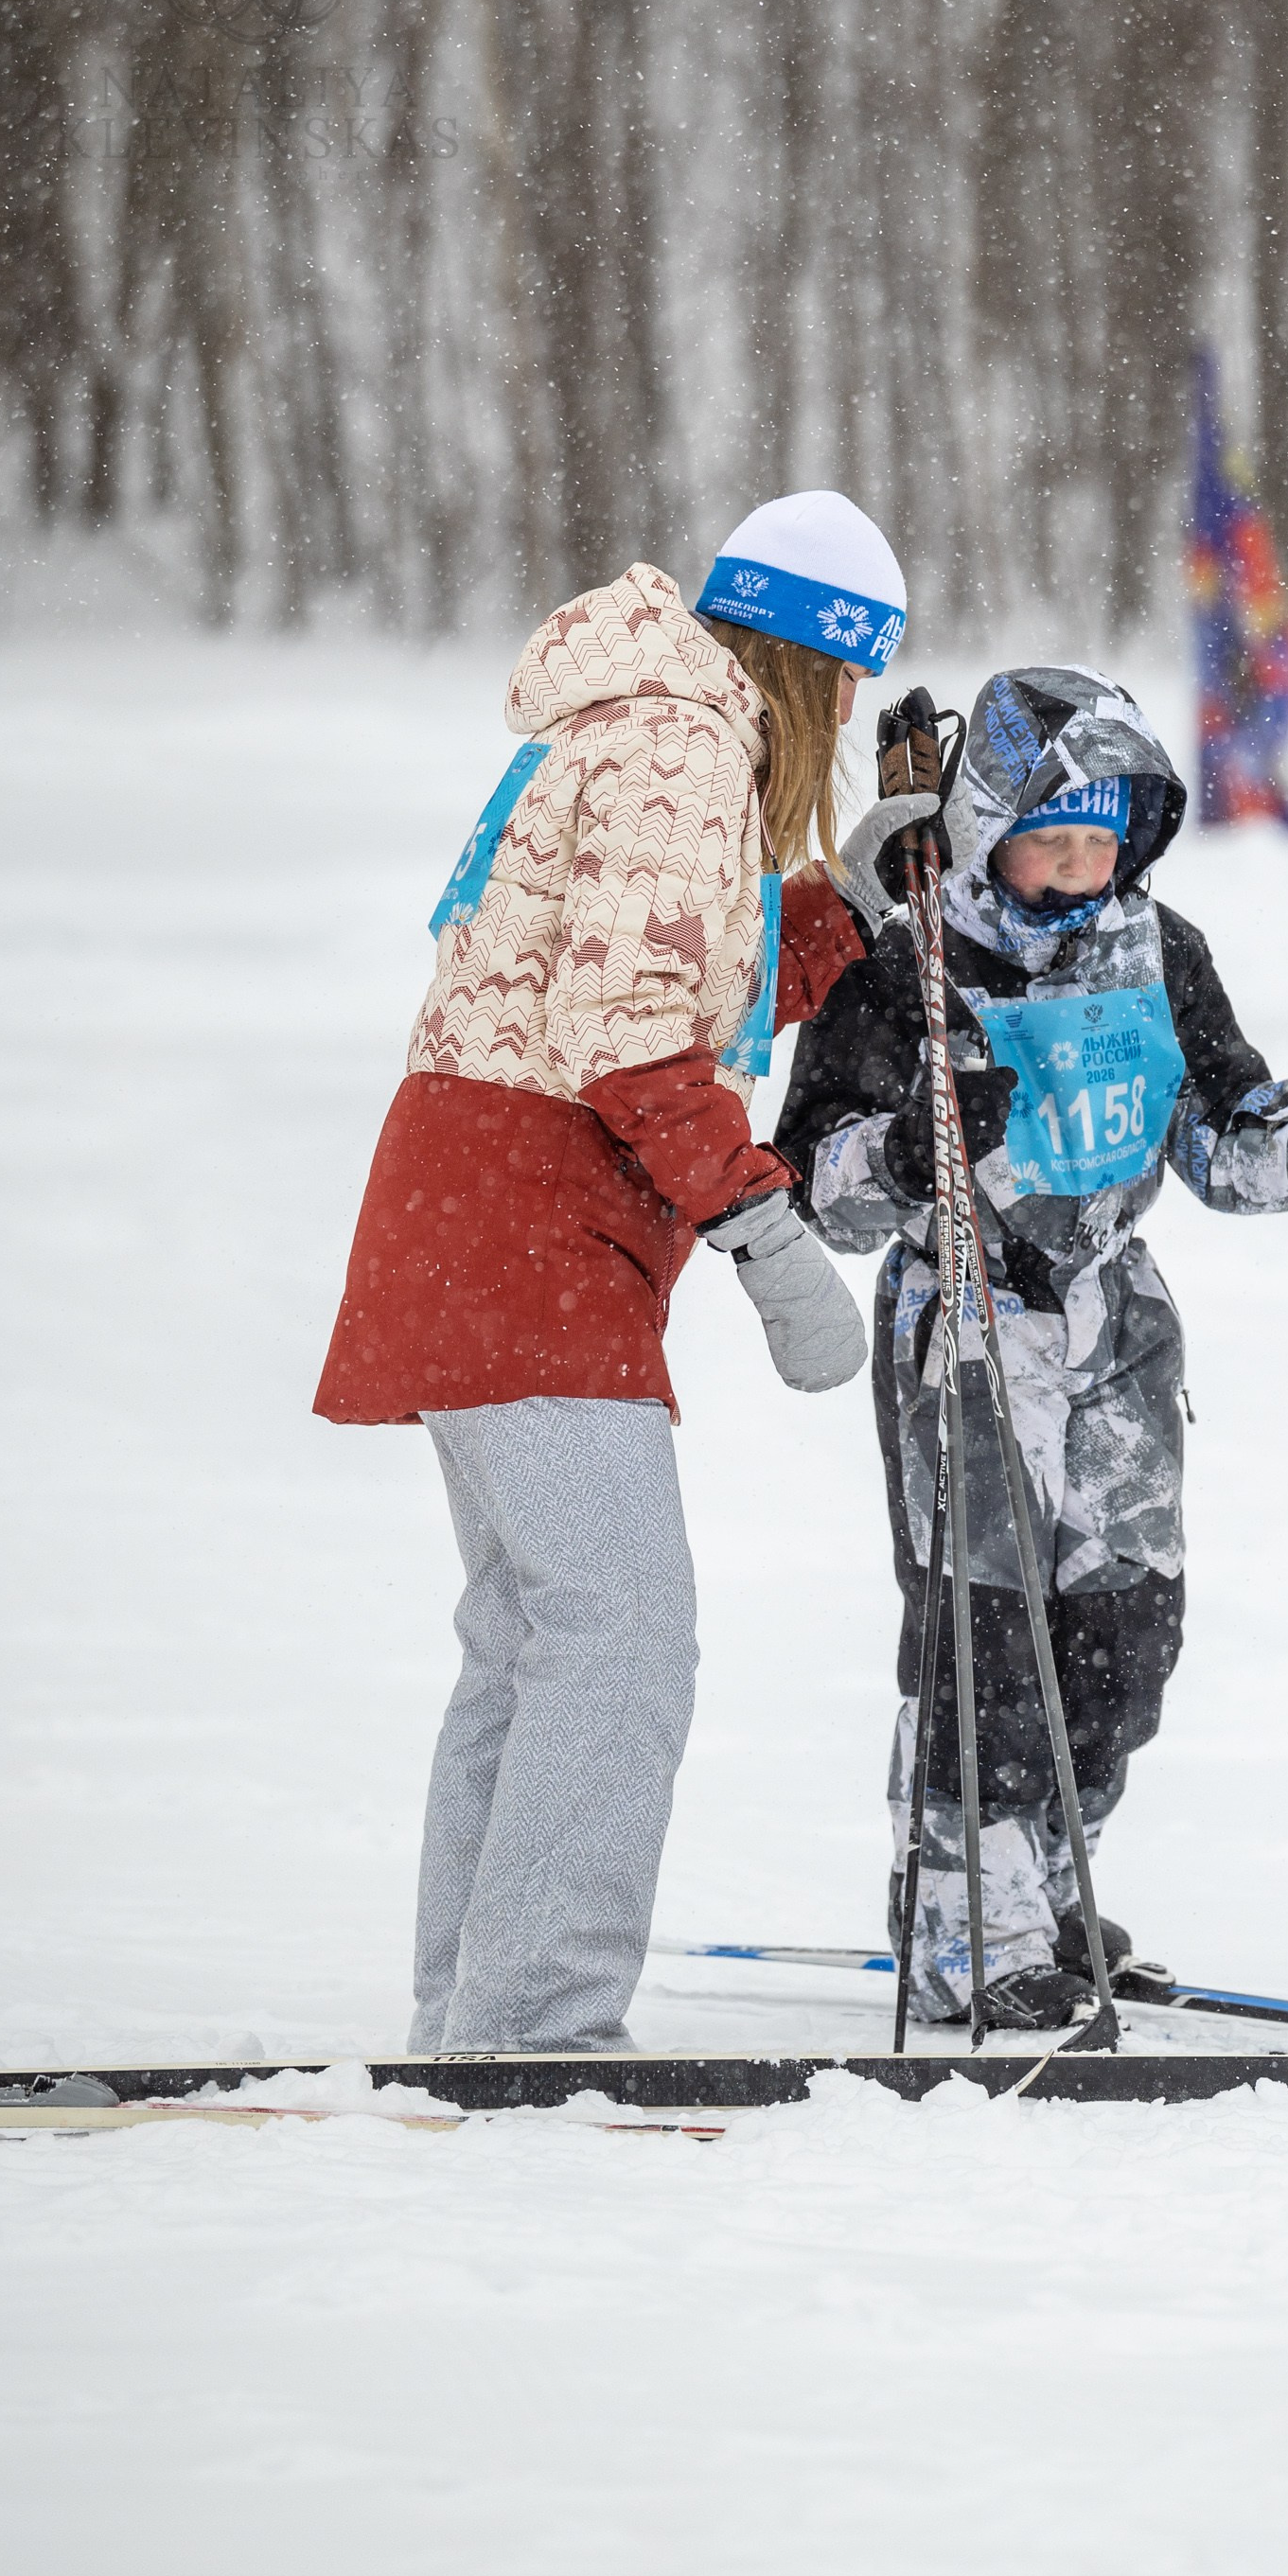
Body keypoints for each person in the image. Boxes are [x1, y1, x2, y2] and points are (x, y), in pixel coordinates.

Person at [315, 493, 945, 2055]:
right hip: (528, 1220)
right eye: (849, 684)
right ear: (807, 662)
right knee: (619, 1631)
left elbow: (674, 977)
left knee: (534, 1633)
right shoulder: (678, 751)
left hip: (478, 1207)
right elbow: (634, 1043)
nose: (853, 718)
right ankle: (534, 2032)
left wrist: (845, 907)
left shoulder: (649, 725)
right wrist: (767, 1232)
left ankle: (474, 2020)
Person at [775, 663, 1288, 2030]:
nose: (1081, 871)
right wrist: (913, 1145)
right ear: (984, 831)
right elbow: (817, 1183)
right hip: (970, 1314)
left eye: (1104, 842)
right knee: (987, 1636)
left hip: (1118, 1322)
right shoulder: (912, 964)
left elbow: (1227, 1144)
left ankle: (1049, 1886)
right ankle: (967, 1924)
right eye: (1050, 841)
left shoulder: (1161, 951)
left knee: (1125, 1634)